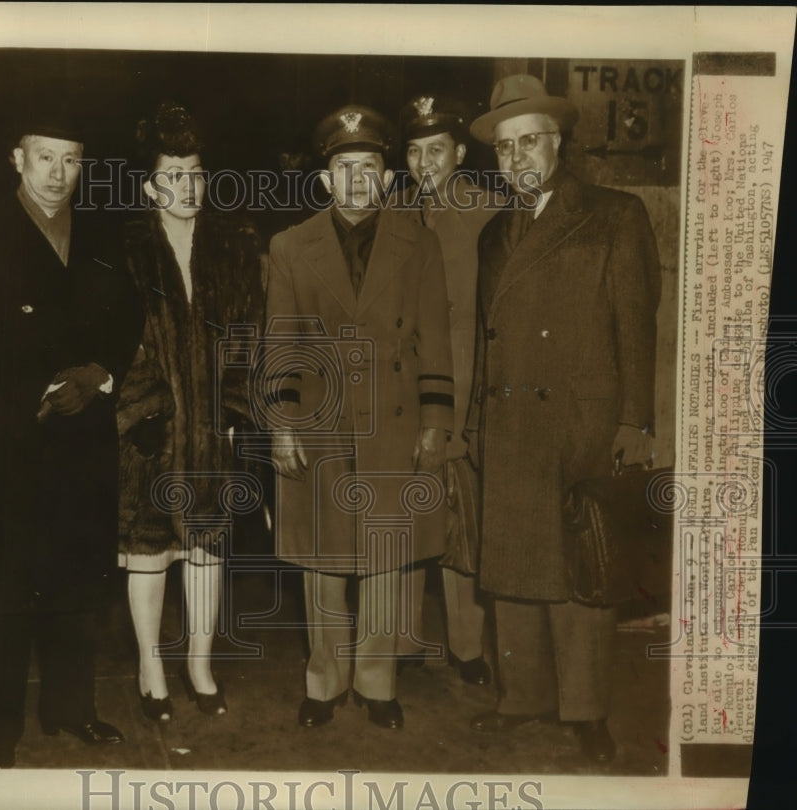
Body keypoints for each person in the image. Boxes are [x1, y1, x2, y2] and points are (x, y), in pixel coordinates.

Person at [465, 74, 660, 762]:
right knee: (514, 571)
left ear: (559, 143)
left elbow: (638, 326)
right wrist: (473, 426)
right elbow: (489, 339)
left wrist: (634, 424)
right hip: (509, 425)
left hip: (582, 421)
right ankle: (520, 697)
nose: (517, 158)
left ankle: (586, 712)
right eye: (505, 147)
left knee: (583, 572)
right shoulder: (493, 234)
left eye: (530, 142)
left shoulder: (615, 214)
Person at [0, 109, 143, 768]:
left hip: (83, 437)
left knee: (75, 587)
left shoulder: (99, 231)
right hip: (12, 435)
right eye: (44, 158)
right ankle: (0, 730)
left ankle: (72, 710)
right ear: (17, 159)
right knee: (5, 591)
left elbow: (128, 314)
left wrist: (99, 373)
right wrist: (38, 385)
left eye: (69, 159)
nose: (58, 174)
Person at [265, 105, 454, 730]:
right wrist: (283, 423)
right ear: (325, 179)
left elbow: (435, 337)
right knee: (322, 559)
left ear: (387, 176)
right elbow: (279, 342)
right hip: (320, 423)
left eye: (367, 167)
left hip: (393, 424)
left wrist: (434, 420)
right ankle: (324, 680)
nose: (355, 180)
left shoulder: (418, 243)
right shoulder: (291, 246)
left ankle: (377, 681)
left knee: (384, 557)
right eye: (343, 168)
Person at [118, 102, 265, 722]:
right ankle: (151, 666)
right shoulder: (125, 248)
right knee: (149, 552)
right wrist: (142, 410)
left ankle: (200, 665)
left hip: (211, 431)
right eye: (172, 175)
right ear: (151, 184)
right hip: (149, 432)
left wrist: (234, 407)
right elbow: (113, 339)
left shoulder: (230, 245)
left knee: (207, 550)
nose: (186, 187)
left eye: (196, 174)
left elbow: (247, 331)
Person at [393, 94, 498, 686]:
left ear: (459, 153)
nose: (424, 162)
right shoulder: (393, 214)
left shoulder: (488, 214)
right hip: (405, 395)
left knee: (461, 525)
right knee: (408, 519)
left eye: (436, 150)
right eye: (413, 150)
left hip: (461, 392)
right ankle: (405, 642)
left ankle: (467, 648)